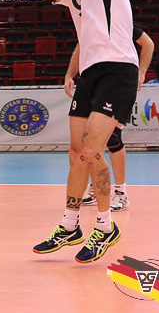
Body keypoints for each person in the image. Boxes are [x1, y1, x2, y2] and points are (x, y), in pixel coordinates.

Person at [6, 0, 137, 263]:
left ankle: (105, 227)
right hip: (91, 71)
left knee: (93, 150)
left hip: (118, 68)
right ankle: (69, 224)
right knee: (77, 151)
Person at [66, 26, 154, 213]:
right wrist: (69, 74)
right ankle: (93, 187)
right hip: (92, 80)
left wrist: (141, 72)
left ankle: (121, 192)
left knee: (113, 137)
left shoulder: (119, 22)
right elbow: (81, 46)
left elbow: (148, 43)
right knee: (87, 142)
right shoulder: (89, 23)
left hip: (118, 81)